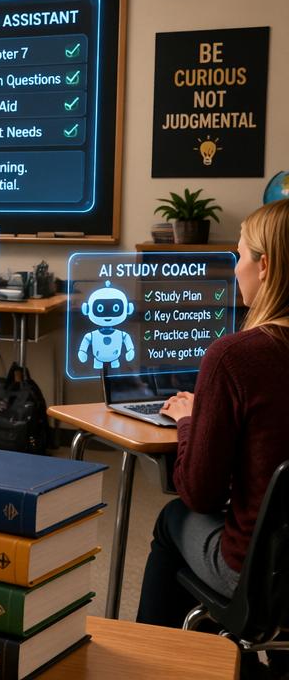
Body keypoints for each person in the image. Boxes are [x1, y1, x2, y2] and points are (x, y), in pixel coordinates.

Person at [136, 199, 289, 629]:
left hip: (262, 575)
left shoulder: (236, 357)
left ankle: (155, 661)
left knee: (174, 519)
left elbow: (200, 493)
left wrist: (189, 421)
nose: (235, 267)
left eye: (240, 254)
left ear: (265, 266)